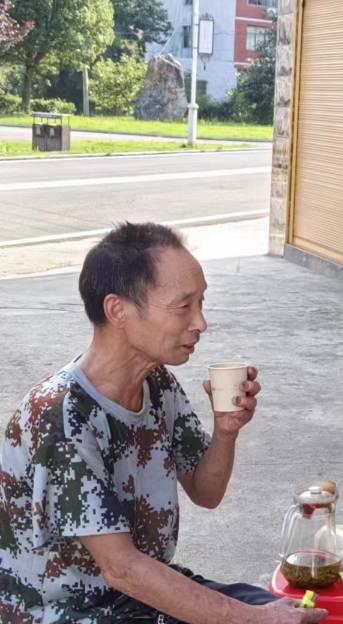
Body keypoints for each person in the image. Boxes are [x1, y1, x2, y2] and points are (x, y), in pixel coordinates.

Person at [0, 223, 326, 624]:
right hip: (69, 611)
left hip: (134, 598)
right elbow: (121, 569)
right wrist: (251, 618)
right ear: (118, 310)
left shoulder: (157, 383)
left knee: (302, 613)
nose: (200, 323)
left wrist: (226, 430)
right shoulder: (60, 415)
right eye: (183, 306)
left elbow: (206, 491)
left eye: (201, 304)